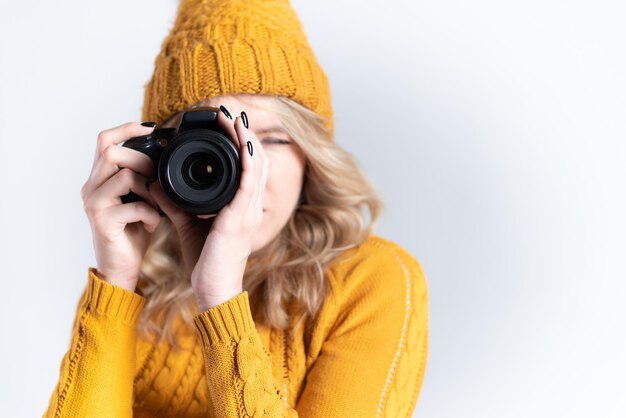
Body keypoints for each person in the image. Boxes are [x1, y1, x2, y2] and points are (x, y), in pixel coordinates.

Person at [43, 0, 429, 416]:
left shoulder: (371, 283)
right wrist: (116, 284)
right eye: (219, 146)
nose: (249, 171)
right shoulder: (140, 283)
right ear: (166, 156)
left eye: (273, 139)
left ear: (311, 157)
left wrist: (220, 298)